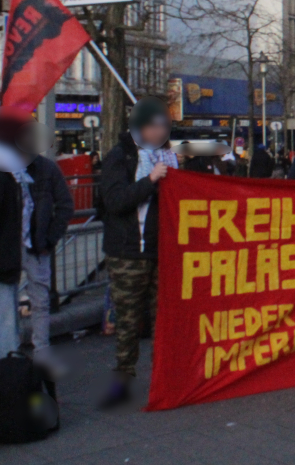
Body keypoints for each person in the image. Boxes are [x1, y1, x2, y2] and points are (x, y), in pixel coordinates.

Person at [0, 107, 74, 378]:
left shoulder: (16, 173)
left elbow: (59, 205)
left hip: (18, 254)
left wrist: (47, 238)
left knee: (8, 326)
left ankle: (4, 385)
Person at [97, 97, 178, 409]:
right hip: (128, 253)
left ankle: (163, 377)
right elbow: (115, 201)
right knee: (129, 322)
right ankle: (123, 378)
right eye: (154, 127)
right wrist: (150, 181)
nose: (160, 133)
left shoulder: (168, 156)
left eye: (163, 127)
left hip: (161, 252)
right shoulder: (120, 158)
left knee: (163, 320)